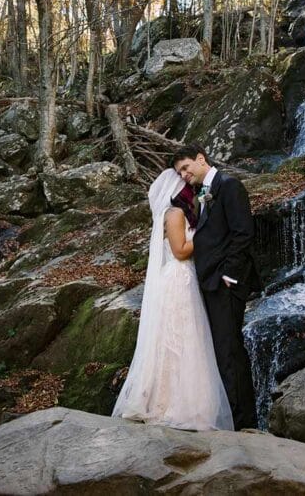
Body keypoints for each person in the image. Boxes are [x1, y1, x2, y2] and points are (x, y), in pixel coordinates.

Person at [111, 168, 233, 432]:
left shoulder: (184, 213)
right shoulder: (175, 213)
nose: (191, 187)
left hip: (186, 278)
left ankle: (186, 403)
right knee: (180, 339)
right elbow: (180, 251)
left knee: (188, 339)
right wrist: (208, 234)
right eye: (186, 186)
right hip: (179, 279)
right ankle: (169, 404)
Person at [173, 143, 262, 430]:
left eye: (186, 167)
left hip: (226, 284)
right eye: (179, 172)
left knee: (230, 352)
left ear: (201, 159)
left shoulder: (229, 185)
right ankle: (237, 418)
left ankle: (243, 422)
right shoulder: (202, 194)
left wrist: (229, 276)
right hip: (210, 284)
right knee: (225, 352)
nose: (184, 175)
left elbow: (243, 233)